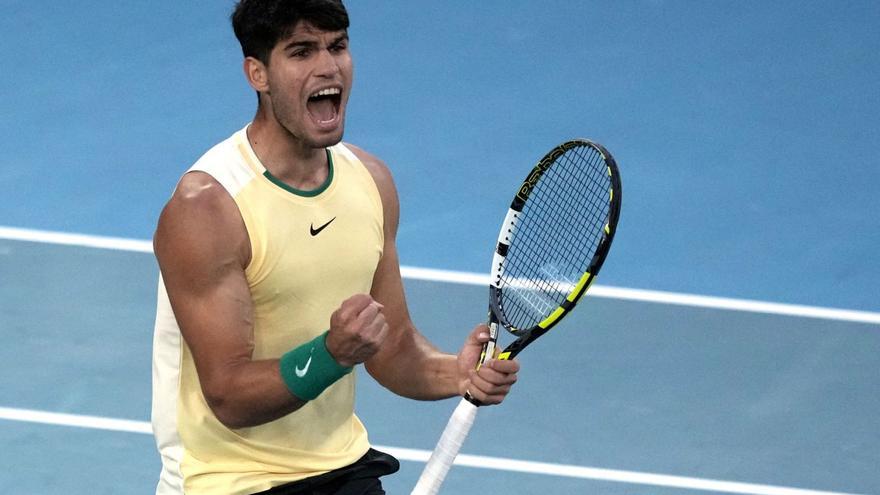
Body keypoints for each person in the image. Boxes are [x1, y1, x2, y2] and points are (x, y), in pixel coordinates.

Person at [150, 1, 520, 494]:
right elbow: (229, 397)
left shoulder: (371, 182)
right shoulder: (208, 208)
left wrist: (453, 373)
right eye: (301, 51)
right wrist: (331, 353)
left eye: (338, 46)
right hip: (228, 482)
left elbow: (392, 347)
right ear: (257, 73)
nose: (328, 66)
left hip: (342, 468)